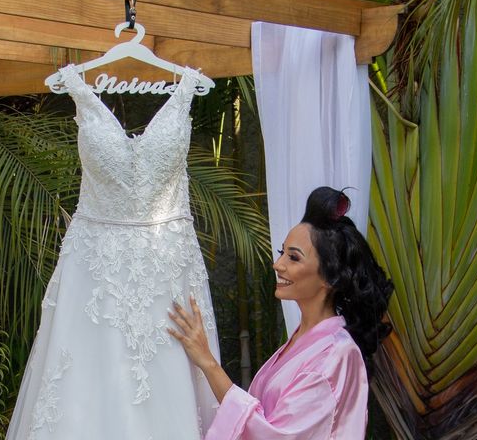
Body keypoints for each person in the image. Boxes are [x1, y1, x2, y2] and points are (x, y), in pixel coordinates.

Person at [168, 186, 394, 439]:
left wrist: (208, 363)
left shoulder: (336, 355)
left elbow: (275, 435)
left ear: (330, 277)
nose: (278, 265)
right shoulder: (308, 340)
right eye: (281, 252)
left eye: (294, 258)